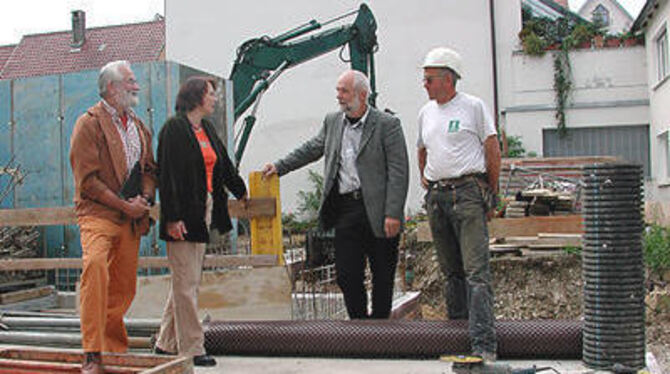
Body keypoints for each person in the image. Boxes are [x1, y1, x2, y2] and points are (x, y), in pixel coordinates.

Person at [262, 70, 409, 319]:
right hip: (346, 210)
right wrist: (279, 166)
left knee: (382, 275)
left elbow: (399, 171)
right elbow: (311, 148)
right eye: (338, 90)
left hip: (379, 210)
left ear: (362, 95)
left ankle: (382, 331)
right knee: (347, 275)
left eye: (344, 91)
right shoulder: (333, 122)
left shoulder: (387, 125)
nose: (339, 96)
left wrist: (393, 213)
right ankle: (360, 327)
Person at [153, 76, 248, 367]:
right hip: (182, 213)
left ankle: (165, 343)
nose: (215, 99)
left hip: (203, 209)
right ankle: (192, 348)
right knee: (186, 283)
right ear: (196, 97)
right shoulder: (174, 129)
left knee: (187, 280)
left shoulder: (205, 128)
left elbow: (223, 162)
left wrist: (240, 189)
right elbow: (166, 177)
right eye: (210, 94)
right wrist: (171, 219)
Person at [70, 60, 157, 374]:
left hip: (131, 218)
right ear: (111, 87)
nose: (136, 86)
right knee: (95, 268)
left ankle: (114, 350)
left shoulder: (138, 126)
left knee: (123, 287)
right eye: (130, 81)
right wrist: (125, 206)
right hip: (99, 215)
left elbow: (149, 169)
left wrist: (145, 199)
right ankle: (92, 353)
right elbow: (88, 181)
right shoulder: (88, 124)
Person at [417, 47, 501, 360]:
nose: (424, 85)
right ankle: (457, 335)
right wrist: (425, 178)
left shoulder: (473, 108)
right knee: (450, 272)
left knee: (476, 273)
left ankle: (483, 345)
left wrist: (492, 193)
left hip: (467, 194)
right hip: (437, 198)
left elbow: (492, 150)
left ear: (448, 79)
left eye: (429, 79)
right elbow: (422, 148)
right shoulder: (426, 112)